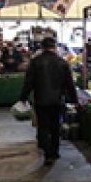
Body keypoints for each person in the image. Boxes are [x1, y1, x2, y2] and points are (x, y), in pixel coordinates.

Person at [19, 37, 77, 165]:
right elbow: (69, 84)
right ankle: (55, 152)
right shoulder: (62, 62)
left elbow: (29, 82)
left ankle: (47, 154)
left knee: (43, 127)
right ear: (54, 47)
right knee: (56, 126)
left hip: (40, 100)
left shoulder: (35, 62)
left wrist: (23, 97)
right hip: (57, 100)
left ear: (42, 47)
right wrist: (74, 99)